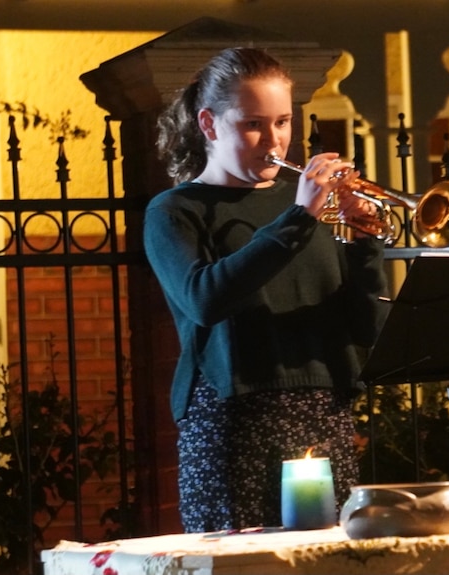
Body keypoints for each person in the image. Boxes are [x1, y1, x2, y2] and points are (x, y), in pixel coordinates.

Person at [143, 46, 389, 533]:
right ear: (210, 124)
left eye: (282, 122)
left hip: (324, 414)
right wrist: (299, 218)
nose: (273, 141)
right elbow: (205, 299)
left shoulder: (312, 210)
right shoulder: (176, 211)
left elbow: (366, 329)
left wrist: (366, 247)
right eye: (253, 124)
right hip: (232, 420)